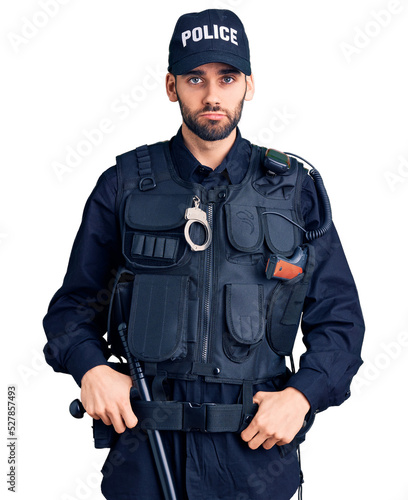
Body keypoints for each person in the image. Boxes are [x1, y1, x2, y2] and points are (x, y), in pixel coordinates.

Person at [43, 9, 365, 500]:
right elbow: (71, 311)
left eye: (227, 78)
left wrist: (301, 396)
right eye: (195, 78)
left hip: (255, 459)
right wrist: (91, 368)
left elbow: (341, 322)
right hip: (146, 456)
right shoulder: (124, 185)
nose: (212, 95)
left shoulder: (293, 191)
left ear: (249, 86)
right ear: (172, 86)